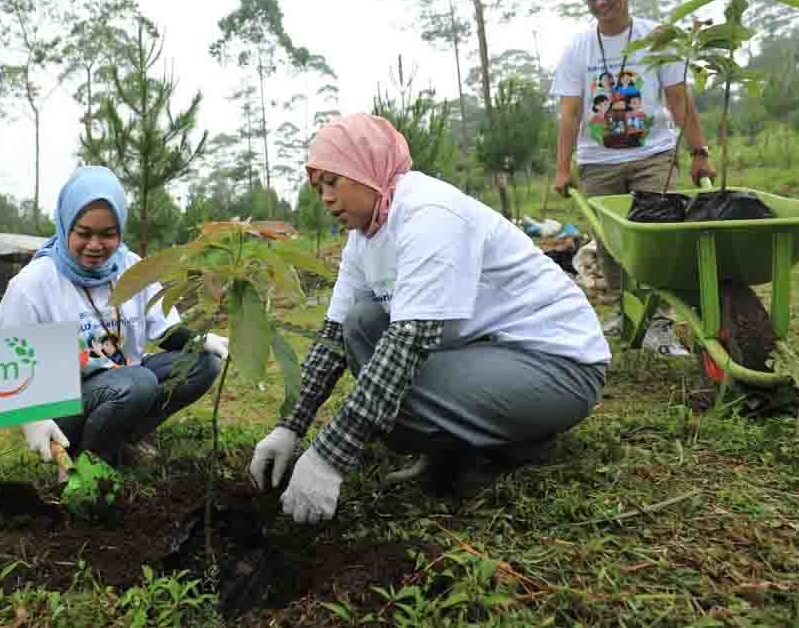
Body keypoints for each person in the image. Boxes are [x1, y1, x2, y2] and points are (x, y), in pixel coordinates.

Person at [248, 113, 611, 524]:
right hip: (486, 354)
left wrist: (330, 455)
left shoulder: (429, 213)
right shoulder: (364, 236)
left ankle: (520, 442)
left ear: (366, 168)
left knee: (388, 392)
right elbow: (333, 339)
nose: (326, 198)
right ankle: (461, 442)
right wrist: (289, 427)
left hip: (558, 366)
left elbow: (409, 343)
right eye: (318, 189)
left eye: (334, 181)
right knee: (361, 322)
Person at [0, 166, 228, 467]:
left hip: (126, 380)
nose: (95, 245)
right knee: (139, 382)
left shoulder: (131, 268)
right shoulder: (34, 284)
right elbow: (5, 362)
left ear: (120, 231)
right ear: (66, 226)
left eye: (108, 234)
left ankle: (124, 438)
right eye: (84, 233)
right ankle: (90, 461)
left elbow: (164, 332)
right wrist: (32, 419)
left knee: (203, 364)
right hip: (66, 406)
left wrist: (200, 340)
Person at [551, 0, 717, 355]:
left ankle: (658, 323)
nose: (601, 1)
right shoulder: (579, 48)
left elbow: (679, 100)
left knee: (656, 236)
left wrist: (699, 153)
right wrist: (562, 167)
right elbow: (571, 112)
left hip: (653, 154)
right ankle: (626, 314)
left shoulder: (656, 38)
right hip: (598, 161)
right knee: (609, 243)